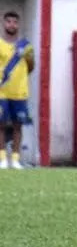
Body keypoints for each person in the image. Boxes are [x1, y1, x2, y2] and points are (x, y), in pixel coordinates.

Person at [0, 11, 35, 169]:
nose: (12, 25)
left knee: (17, 125)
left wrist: (28, 58)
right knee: (0, 124)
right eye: (9, 22)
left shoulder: (26, 45)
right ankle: (2, 159)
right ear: (4, 23)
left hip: (19, 92)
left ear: (18, 25)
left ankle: (14, 159)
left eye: (15, 22)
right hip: (1, 91)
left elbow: (31, 68)